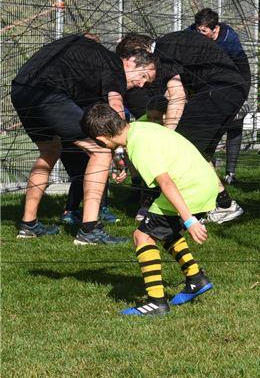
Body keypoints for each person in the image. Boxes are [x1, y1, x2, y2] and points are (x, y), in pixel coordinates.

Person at [10, 35, 156, 244]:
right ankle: (89, 230)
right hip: (49, 92)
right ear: (130, 61)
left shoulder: (93, 62)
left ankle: (28, 225)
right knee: (101, 150)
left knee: (50, 150)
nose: (141, 84)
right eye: (143, 76)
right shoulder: (115, 66)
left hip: (21, 90)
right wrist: (120, 149)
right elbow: (115, 103)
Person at [81, 103, 215, 316]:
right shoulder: (140, 128)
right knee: (161, 231)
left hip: (187, 189)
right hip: (204, 182)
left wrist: (189, 220)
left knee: (142, 236)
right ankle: (196, 278)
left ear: (102, 139)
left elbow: (166, 182)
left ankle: (157, 303)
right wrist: (122, 164)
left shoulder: (138, 146)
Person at [116, 31, 246, 224]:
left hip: (218, 90)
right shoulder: (170, 45)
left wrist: (166, 135)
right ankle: (223, 205)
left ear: (140, 52)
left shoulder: (163, 51)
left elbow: (177, 96)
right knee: (198, 151)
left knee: (181, 150)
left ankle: (178, 209)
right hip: (230, 89)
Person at [190, 8, 252, 184]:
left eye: (204, 31)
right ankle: (204, 165)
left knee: (235, 123)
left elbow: (244, 68)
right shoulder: (192, 33)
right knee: (209, 127)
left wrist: (242, 97)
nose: (199, 34)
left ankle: (230, 173)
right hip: (205, 85)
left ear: (215, 29)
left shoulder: (229, 40)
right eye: (198, 30)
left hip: (231, 84)